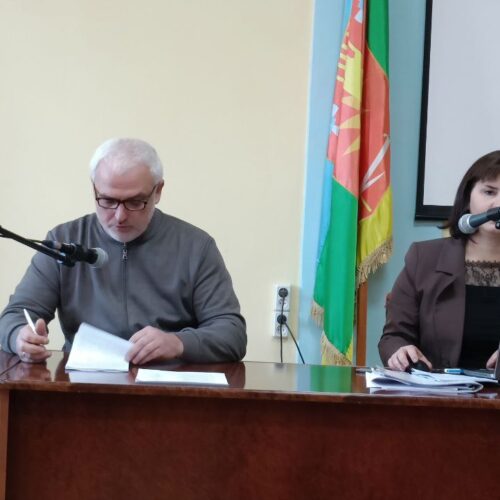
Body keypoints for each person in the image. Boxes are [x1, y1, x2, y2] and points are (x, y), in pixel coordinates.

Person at [0, 138, 246, 364]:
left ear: (158, 191)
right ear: (94, 189)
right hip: (82, 386)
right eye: (107, 200)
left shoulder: (196, 247)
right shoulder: (63, 241)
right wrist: (19, 337)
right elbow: (13, 316)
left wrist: (179, 342)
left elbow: (231, 334)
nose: (120, 216)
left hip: (170, 387)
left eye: (135, 202)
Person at [379, 150, 500, 371]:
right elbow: (394, 337)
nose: (498, 204)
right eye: (489, 192)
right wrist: (400, 351)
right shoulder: (424, 258)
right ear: (468, 198)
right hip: (439, 390)